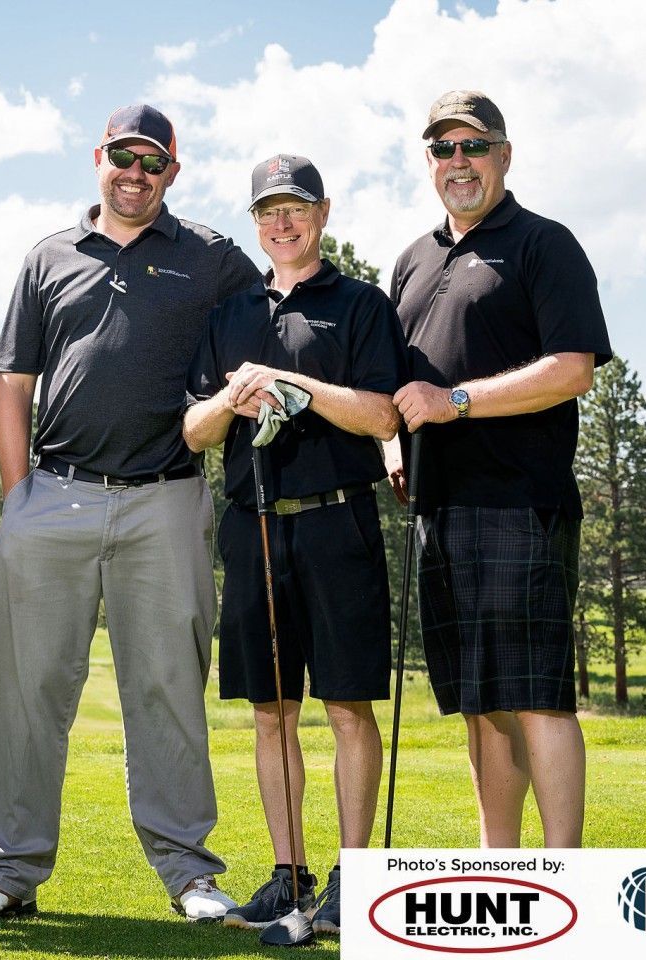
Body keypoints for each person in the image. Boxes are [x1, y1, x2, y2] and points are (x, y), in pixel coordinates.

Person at [0, 104, 262, 924]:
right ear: (98, 159)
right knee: (26, 691)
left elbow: (275, 331)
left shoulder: (214, 259)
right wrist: (16, 502)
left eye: (153, 162)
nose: (136, 173)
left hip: (167, 497)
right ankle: (8, 873)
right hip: (54, 496)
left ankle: (188, 873)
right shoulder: (49, 256)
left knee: (167, 690)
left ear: (172, 174)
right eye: (124, 156)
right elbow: (12, 387)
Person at [183, 155, 404, 937]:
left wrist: (295, 384)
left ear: (323, 212)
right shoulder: (228, 312)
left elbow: (381, 417)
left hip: (337, 521)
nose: (282, 223)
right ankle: (287, 874)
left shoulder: (360, 305)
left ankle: (355, 879)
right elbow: (193, 429)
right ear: (254, 222)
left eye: (296, 208)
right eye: (268, 211)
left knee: (346, 706)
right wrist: (226, 402)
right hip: (254, 526)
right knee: (270, 713)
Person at [388, 91, 612, 849]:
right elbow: (398, 384)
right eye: (442, 149)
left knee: (537, 698)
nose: (458, 162)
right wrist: (392, 445)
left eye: (472, 146)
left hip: (522, 500)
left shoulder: (544, 244)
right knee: (480, 702)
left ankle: (565, 875)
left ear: (504, 155)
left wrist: (451, 402)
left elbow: (571, 369)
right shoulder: (412, 261)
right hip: (440, 509)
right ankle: (502, 866)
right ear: (428, 163)